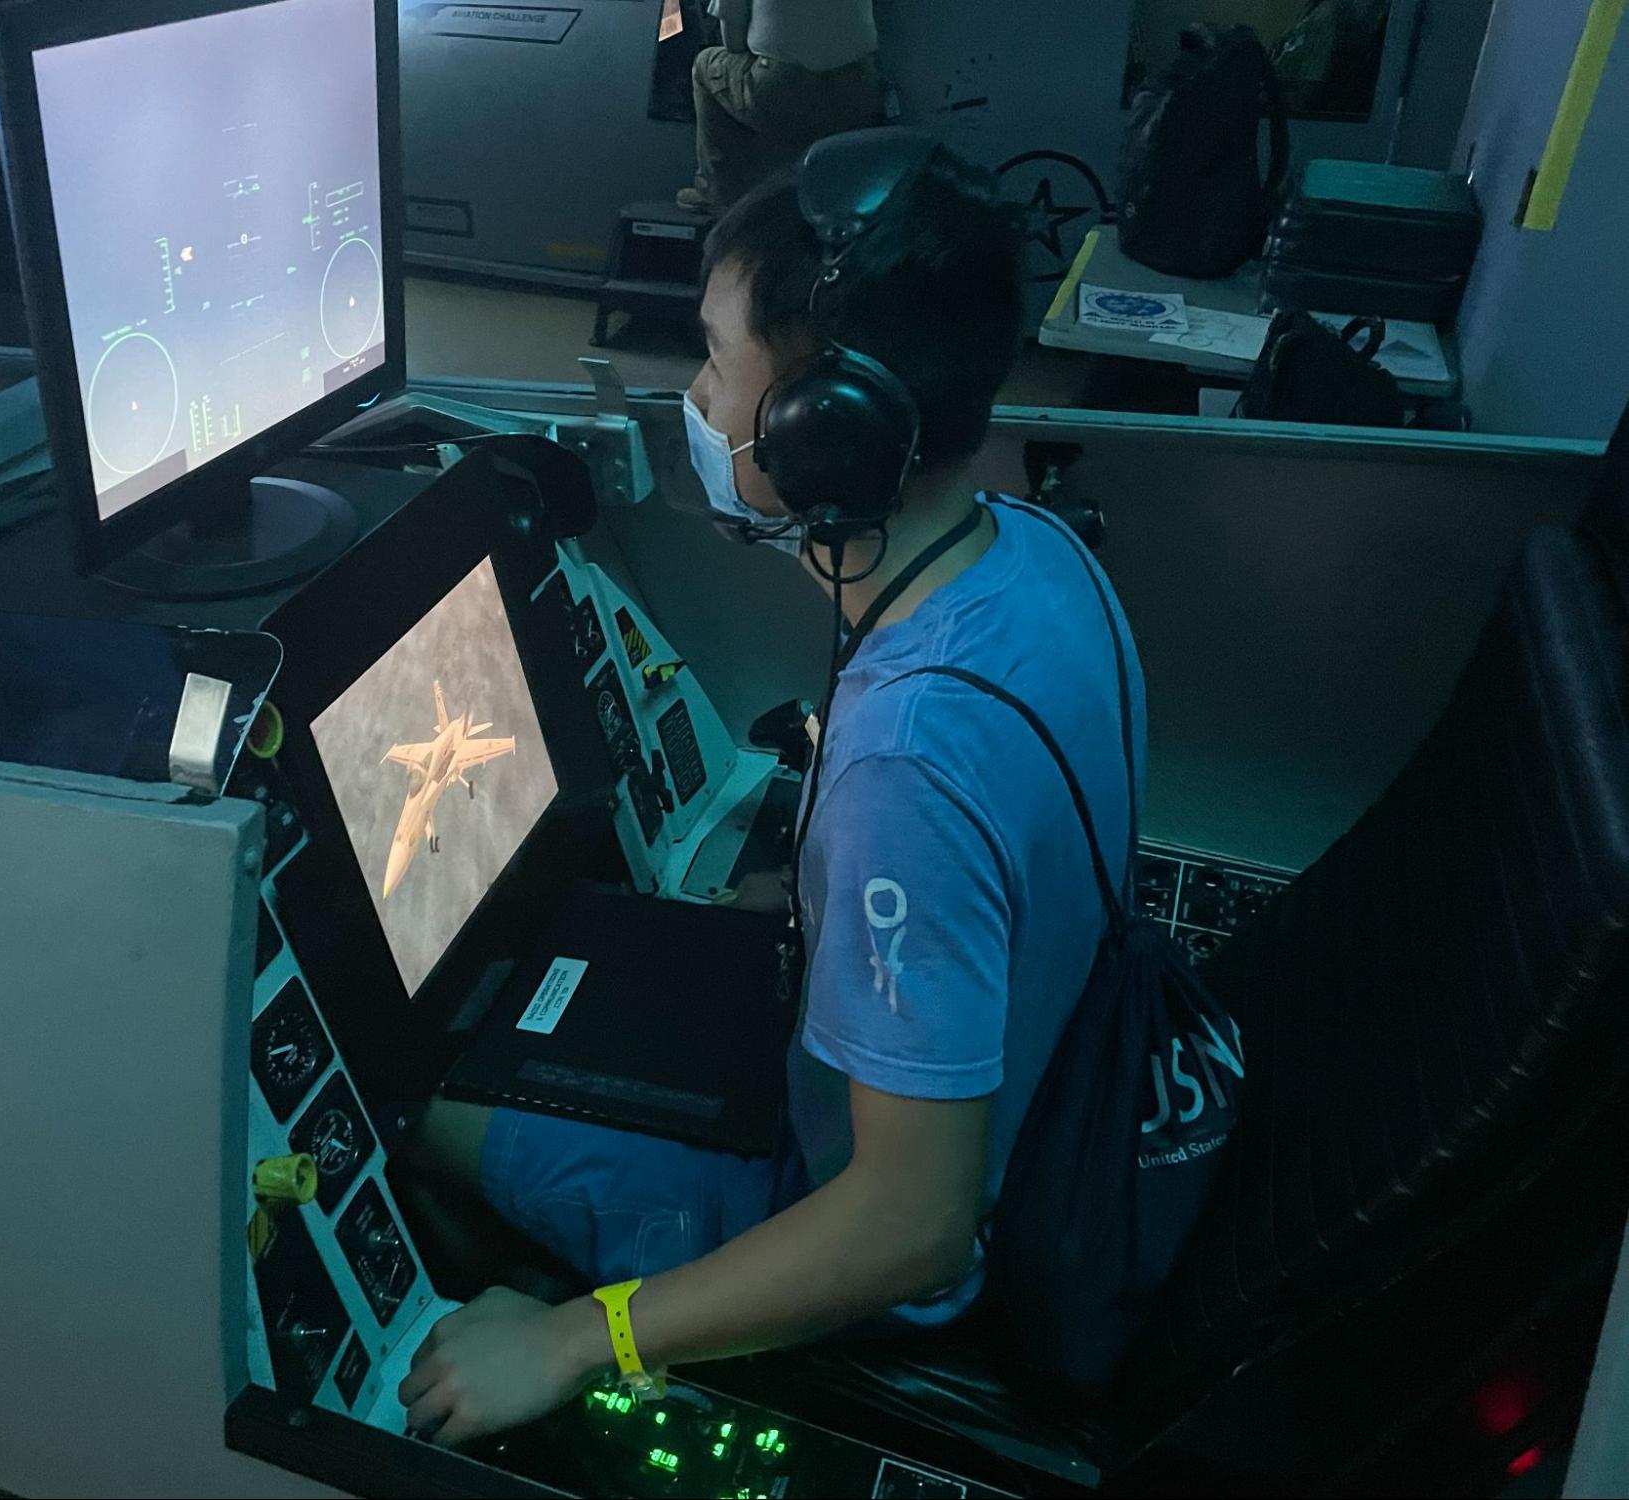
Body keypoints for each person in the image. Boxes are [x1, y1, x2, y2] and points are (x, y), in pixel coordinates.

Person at [398, 144, 1147, 1447]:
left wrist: (581, 1337)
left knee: (418, 1104)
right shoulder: (1029, 552)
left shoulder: (905, 768)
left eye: (710, 361)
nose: (690, 396)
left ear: (823, 428)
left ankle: (530, 1324)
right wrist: (812, 903)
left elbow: (911, 1229)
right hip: (994, 1078)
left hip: (869, 1229)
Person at [678, 0, 887, 212]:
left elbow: (733, 43)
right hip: (858, 92)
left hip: (782, 93)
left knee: (706, 64)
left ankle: (717, 193)